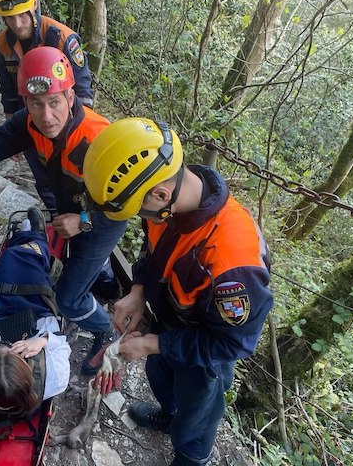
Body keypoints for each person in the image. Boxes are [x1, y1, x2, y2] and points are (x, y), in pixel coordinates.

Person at [82, 118, 274, 466]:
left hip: (204, 353)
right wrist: (138, 290)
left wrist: (153, 343)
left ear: (160, 194)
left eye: (139, 210)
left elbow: (233, 343)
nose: (142, 217)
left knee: (195, 421)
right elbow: (152, 250)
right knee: (161, 378)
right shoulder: (166, 202)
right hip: (165, 324)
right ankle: (168, 414)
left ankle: (190, 456)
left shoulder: (233, 262)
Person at [0, 47, 127, 375]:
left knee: (68, 299)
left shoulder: (99, 140)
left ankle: (104, 330)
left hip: (99, 221)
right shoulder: (30, 123)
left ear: (70, 96)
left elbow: (123, 205)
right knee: (72, 260)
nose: (46, 115)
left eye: (54, 103)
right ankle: (98, 277)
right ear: (26, 102)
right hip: (68, 209)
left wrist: (82, 221)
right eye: (36, 104)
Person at [0, 0, 94, 210]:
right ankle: (55, 218)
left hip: (65, 124)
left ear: (34, 4)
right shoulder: (3, 43)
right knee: (43, 178)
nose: (17, 24)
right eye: (9, 18)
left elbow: (83, 92)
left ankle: (78, 218)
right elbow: (8, 90)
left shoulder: (62, 39)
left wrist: (74, 134)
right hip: (29, 119)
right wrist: (13, 131)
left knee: (73, 178)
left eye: (21, 15)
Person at [0, 207, 70, 416]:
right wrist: (42, 341)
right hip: (37, 316)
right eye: (15, 353)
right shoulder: (56, 377)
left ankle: (21, 239)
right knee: (29, 264)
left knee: (9, 263)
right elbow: (64, 346)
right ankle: (36, 237)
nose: (10, 347)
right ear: (26, 370)